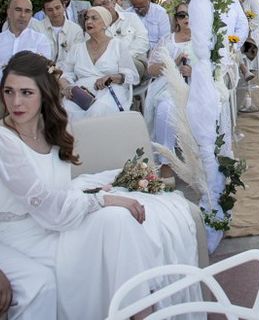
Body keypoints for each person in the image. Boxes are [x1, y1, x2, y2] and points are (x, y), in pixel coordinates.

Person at [0, 51, 200, 319]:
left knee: (118, 222)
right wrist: (103, 199)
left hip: (53, 224)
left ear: (45, 93)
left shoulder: (56, 129)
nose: (16, 102)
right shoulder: (5, 141)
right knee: (112, 214)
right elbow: (47, 206)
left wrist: (103, 192)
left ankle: (139, 312)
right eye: (9, 92)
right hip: (22, 235)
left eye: (26, 93)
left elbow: (58, 191)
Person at [59, 6, 139, 121]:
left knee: (98, 110)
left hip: (110, 89)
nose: (88, 21)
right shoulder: (77, 48)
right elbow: (66, 73)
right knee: (66, 110)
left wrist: (111, 77)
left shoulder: (117, 45)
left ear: (105, 24)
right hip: (82, 92)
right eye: (86, 18)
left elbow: (132, 75)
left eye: (94, 18)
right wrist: (67, 87)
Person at [144, 4, 194, 182]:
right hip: (169, 85)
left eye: (190, 14)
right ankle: (166, 162)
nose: (186, 18)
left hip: (196, 86)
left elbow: (216, 68)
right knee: (166, 107)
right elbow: (151, 69)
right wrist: (173, 65)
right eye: (181, 15)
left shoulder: (205, 39)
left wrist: (193, 72)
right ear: (176, 19)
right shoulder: (167, 40)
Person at [92, 0, 150, 80]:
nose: (103, 7)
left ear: (113, 3)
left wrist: (123, 58)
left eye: (105, 3)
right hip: (106, 67)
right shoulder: (94, 28)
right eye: (98, 6)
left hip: (134, 62)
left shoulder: (131, 18)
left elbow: (143, 41)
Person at [0, 0, 51, 70]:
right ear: (9, 12)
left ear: (31, 15)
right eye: (18, 10)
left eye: (27, 11)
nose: (23, 15)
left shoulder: (40, 40)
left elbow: (45, 70)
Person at [32, 0, 84, 66]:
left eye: (57, 8)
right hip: (43, 71)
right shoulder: (37, 28)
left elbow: (77, 57)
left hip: (68, 73)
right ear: (44, 11)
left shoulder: (76, 30)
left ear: (64, 6)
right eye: (50, 10)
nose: (55, 12)